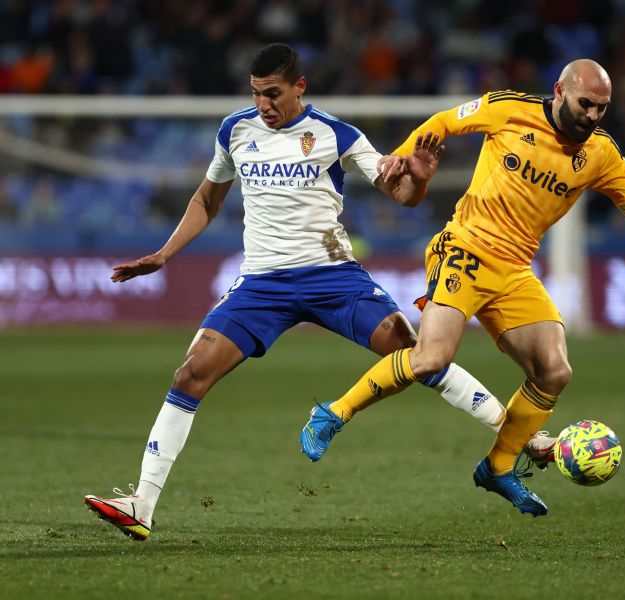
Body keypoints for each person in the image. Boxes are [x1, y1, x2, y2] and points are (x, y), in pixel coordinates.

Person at [84, 43, 506, 541]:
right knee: (192, 372)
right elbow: (206, 198)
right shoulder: (235, 130)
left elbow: (401, 194)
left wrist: (419, 182)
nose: (265, 104)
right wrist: (164, 254)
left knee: (416, 353)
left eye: (274, 93)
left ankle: (516, 433)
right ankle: (142, 505)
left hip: (332, 277)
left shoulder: (336, 134)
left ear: (299, 87)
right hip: (262, 282)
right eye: (257, 94)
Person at [300, 59, 625, 517]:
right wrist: (400, 155)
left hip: (515, 269)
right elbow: (445, 121)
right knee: (431, 358)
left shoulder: (601, 154)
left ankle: (498, 467)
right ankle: (333, 412)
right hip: (464, 248)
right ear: (559, 91)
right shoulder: (508, 108)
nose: (594, 115)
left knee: (554, 370)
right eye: (587, 104)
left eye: (602, 108)